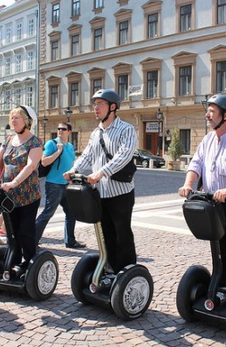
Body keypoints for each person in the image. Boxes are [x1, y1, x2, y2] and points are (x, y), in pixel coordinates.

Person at [178, 94, 226, 290]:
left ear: (225, 115)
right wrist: (188, 184)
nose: (207, 115)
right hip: (214, 206)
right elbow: (195, 164)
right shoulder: (207, 140)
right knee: (219, 251)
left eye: (212, 111)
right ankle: (221, 289)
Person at [63, 89, 137, 273]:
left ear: (112, 107)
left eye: (100, 104)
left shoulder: (126, 129)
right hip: (101, 193)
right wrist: (73, 170)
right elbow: (87, 155)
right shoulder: (96, 133)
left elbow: (123, 156)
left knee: (122, 234)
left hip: (121, 192)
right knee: (106, 235)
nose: (95, 107)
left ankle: (128, 271)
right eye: (95, 104)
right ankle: (111, 269)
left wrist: (101, 173)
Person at [0, 105, 43, 274]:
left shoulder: (35, 142)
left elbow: (31, 166)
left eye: (17, 117)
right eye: (12, 118)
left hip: (28, 196)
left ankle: (30, 265)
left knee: (25, 232)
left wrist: (14, 182)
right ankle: (12, 264)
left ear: (27, 121)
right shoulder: (8, 140)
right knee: (12, 232)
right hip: (7, 196)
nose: (13, 121)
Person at [35, 122, 85, 249]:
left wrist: (72, 179)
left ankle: (70, 241)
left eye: (63, 129)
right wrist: (58, 151)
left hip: (66, 185)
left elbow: (72, 164)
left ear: (69, 131)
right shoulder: (52, 144)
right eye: (58, 129)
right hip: (54, 185)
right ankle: (32, 240)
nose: (60, 131)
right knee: (48, 213)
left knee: (71, 212)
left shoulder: (70, 147)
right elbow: (44, 162)